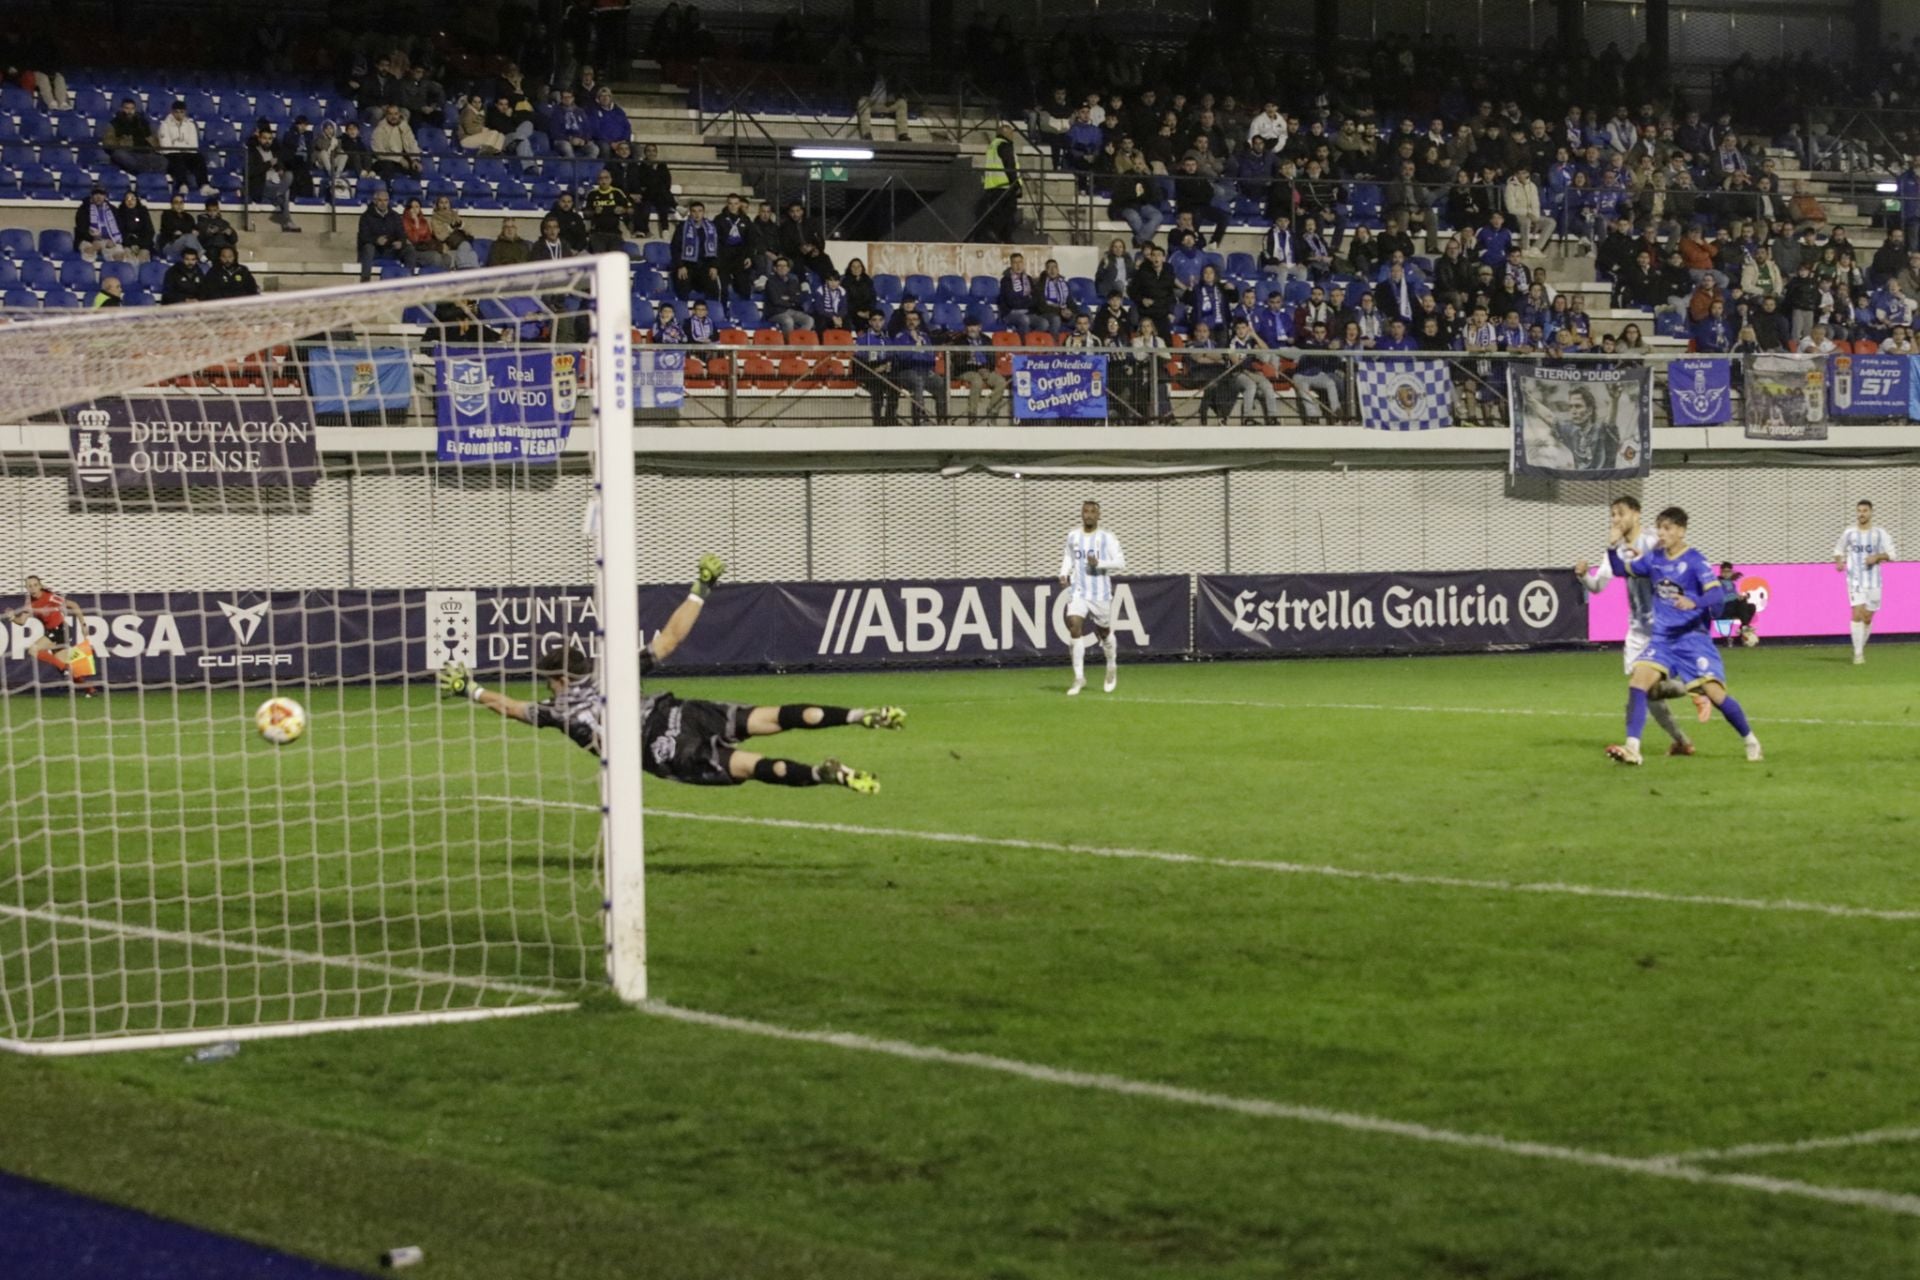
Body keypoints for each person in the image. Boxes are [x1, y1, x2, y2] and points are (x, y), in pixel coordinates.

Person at [438, 557, 895, 793]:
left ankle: (820, 774)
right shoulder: (613, 672)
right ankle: (858, 715)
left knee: (749, 766)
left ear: (556, 680)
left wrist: (469, 688)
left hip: (660, 749)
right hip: (680, 712)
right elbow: (671, 639)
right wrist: (701, 588)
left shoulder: (559, 711)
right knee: (770, 716)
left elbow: (510, 708)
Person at [1608, 507, 1763, 765]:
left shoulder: (1694, 560)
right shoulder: (1654, 559)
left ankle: (1750, 740)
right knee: (1638, 683)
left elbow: (1716, 594)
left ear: (1681, 531)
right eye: (1660, 527)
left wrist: (1694, 602)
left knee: (1715, 695)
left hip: (1692, 639)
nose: (1661, 533)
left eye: (1667, 528)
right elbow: (1619, 570)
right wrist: (1612, 545)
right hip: (1662, 639)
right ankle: (1632, 748)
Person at [1576, 497, 1701, 757]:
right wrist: (1583, 576)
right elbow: (1597, 586)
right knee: (1649, 693)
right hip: (1636, 631)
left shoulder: (1654, 540)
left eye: (1620, 513)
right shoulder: (1615, 550)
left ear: (1636, 514)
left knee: (1640, 689)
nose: (1615, 519)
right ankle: (1682, 737)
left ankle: (1633, 747)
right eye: (1612, 514)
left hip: (1661, 629)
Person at [1058, 500, 1126, 696]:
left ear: (1098, 515)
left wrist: (1099, 563)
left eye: (1092, 512)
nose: (1088, 515)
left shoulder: (1107, 537)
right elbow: (1068, 556)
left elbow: (1121, 562)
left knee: (1104, 632)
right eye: (1085, 511)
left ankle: (1111, 664)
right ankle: (1079, 677)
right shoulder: (1073, 536)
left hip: (1100, 593)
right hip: (1078, 590)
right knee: (1073, 624)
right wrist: (1063, 573)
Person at [8, 576, 97, 694]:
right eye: (30, 586)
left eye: (35, 585)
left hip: (60, 630)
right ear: (27, 588)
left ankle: (65, 668)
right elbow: (21, 621)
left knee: (33, 650)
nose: (33, 588)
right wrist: (13, 617)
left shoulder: (50, 597)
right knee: (63, 664)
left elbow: (73, 605)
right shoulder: (29, 603)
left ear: (40, 586)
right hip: (52, 632)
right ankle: (89, 688)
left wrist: (83, 625)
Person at [1834, 499, 1896, 664]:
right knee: (1857, 614)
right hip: (1854, 580)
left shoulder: (1879, 533)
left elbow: (1892, 555)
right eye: (1859, 511)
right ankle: (1858, 654)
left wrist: (1877, 557)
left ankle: (1859, 646)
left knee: (1867, 617)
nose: (1861, 514)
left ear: (1871, 512)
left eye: (1865, 511)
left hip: (1874, 582)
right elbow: (1838, 549)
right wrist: (1839, 561)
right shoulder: (1849, 533)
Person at [891, 309, 944, 424]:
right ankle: (920, 418)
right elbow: (902, 357)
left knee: (941, 383)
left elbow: (931, 357)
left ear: (919, 321)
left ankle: (942, 419)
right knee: (918, 382)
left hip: (925, 370)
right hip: (906, 371)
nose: (912, 322)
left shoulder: (925, 336)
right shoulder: (900, 337)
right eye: (909, 319)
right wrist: (917, 348)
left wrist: (915, 352)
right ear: (905, 321)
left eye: (914, 319)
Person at [950, 316, 1006, 424]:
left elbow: (992, 358)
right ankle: (972, 415)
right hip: (965, 370)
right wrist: (976, 368)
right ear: (966, 328)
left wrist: (986, 368)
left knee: (1001, 382)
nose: (972, 329)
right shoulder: (959, 341)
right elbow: (958, 362)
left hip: (984, 369)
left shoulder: (986, 340)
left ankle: (992, 412)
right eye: (969, 326)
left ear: (979, 327)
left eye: (974, 326)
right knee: (977, 381)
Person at [979, 121, 1022, 244]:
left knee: (999, 212)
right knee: (1008, 211)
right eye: (1011, 133)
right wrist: (1016, 184)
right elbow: (1010, 165)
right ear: (1005, 133)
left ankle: (1004, 238)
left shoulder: (993, 145)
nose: (1012, 136)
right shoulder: (1004, 145)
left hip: (992, 186)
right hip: (1005, 186)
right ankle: (995, 233)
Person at [357, 189, 415, 280]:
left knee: (409, 249)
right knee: (368, 247)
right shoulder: (366, 217)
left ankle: (409, 280)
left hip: (391, 250)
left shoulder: (395, 216)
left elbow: (402, 234)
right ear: (375, 201)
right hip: (375, 251)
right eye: (380, 200)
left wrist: (401, 242)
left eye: (386, 200)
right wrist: (376, 240)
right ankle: (365, 280)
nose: (383, 203)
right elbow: (363, 236)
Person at [669, 201, 722, 300]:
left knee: (713, 287)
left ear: (704, 212)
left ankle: (711, 308)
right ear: (690, 213)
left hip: (704, 265)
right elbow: (675, 248)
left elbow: (717, 248)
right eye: (694, 211)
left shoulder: (711, 228)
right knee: (682, 285)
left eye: (699, 211)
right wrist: (680, 266)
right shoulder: (682, 227)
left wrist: (714, 266)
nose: (697, 214)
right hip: (687, 265)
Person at [854, 311, 899, 425]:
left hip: (884, 372)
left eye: (880, 320)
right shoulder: (863, 339)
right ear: (870, 322)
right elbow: (858, 361)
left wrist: (888, 365)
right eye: (874, 320)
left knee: (895, 387)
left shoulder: (887, 339)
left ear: (884, 322)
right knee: (877, 389)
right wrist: (874, 369)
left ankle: (890, 418)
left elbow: (892, 357)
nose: (877, 323)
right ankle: (877, 420)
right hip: (868, 372)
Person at [153, 101, 206, 189]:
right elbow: (166, 147)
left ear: (185, 112)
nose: (179, 115)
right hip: (170, 154)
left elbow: (194, 146)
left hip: (187, 154)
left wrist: (177, 145)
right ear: (172, 112)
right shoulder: (164, 125)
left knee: (199, 158)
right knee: (177, 158)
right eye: (176, 112)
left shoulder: (190, 125)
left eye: (182, 112)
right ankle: (182, 185)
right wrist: (183, 146)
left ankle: (204, 185)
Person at [73, 186, 131, 262]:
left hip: (109, 240)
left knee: (120, 257)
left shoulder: (113, 209)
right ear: (91, 196)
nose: (98, 197)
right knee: (89, 252)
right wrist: (93, 239)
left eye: (101, 194)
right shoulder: (84, 209)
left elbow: (120, 228)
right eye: (96, 194)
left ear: (105, 196)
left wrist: (113, 240)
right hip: (88, 239)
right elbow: (81, 228)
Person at [762, 257, 814, 335]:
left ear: (788, 269)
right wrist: (792, 302)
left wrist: (789, 298)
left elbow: (799, 299)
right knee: (788, 321)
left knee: (809, 320)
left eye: (784, 266)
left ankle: (797, 339)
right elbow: (776, 301)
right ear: (775, 268)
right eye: (779, 266)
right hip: (775, 312)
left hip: (790, 310)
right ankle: (788, 342)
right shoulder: (770, 282)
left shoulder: (793, 282)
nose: (782, 268)